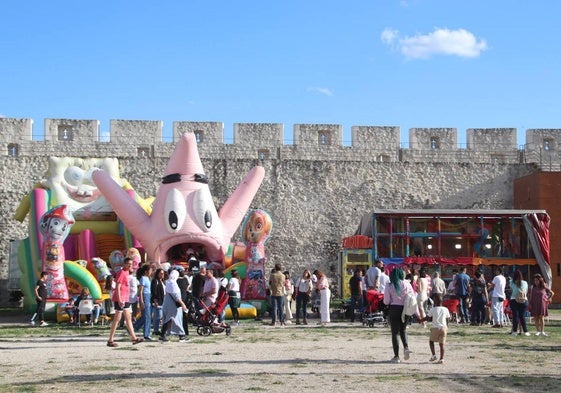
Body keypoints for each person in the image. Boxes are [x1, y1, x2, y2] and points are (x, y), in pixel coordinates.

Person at [106, 258, 143, 347]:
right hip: (121, 298)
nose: (130, 266)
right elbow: (118, 287)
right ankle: (110, 340)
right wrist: (119, 300)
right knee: (117, 319)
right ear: (124, 264)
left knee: (128, 318)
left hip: (126, 298)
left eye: (131, 264)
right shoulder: (121, 273)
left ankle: (134, 338)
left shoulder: (127, 273)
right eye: (128, 264)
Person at [383, 267, 414, 363]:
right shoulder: (407, 284)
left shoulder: (389, 285)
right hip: (405, 309)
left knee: (395, 333)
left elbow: (386, 301)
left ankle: (396, 356)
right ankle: (406, 347)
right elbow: (412, 296)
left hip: (394, 308)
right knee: (403, 329)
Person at [159, 269, 189, 342]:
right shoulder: (173, 284)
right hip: (174, 306)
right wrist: (183, 304)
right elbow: (176, 297)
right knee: (175, 320)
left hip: (168, 305)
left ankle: (163, 335)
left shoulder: (168, 282)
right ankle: (181, 336)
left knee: (169, 320)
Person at [423, 294, 450, 364]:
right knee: (442, 344)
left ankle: (434, 355)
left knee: (431, 341)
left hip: (435, 328)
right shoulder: (446, 309)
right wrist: (446, 326)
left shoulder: (433, 309)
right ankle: (441, 358)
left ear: (434, 301)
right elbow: (448, 318)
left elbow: (427, 318)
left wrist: (420, 320)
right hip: (444, 328)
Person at [134, 264, 153, 340]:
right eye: (150, 270)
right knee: (147, 316)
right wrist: (141, 301)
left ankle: (134, 328)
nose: (151, 272)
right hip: (145, 296)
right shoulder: (143, 279)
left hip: (148, 296)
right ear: (146, 271)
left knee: (146, 316)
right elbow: (140, 291)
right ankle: (146, 334)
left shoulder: (148, 278)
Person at [509, 270, 530, 336]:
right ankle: (525, 331)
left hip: (514, 299)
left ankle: (514, 331)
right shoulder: (525, 283)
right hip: (523, 300)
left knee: (515, 316)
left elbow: (511, 291)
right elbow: (525, 292)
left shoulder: (511, 282)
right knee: (522, 316)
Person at [150, 268, 165, 336]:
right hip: (158, 300)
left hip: (163, 300)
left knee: (160, 316)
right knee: (158, 316)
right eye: (161, 273)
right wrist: (155, 300)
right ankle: (155, 330)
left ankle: (157, 329)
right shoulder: (155, 281)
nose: (162, 275)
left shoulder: (162, 281)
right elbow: (154, 291)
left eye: (163, 273)